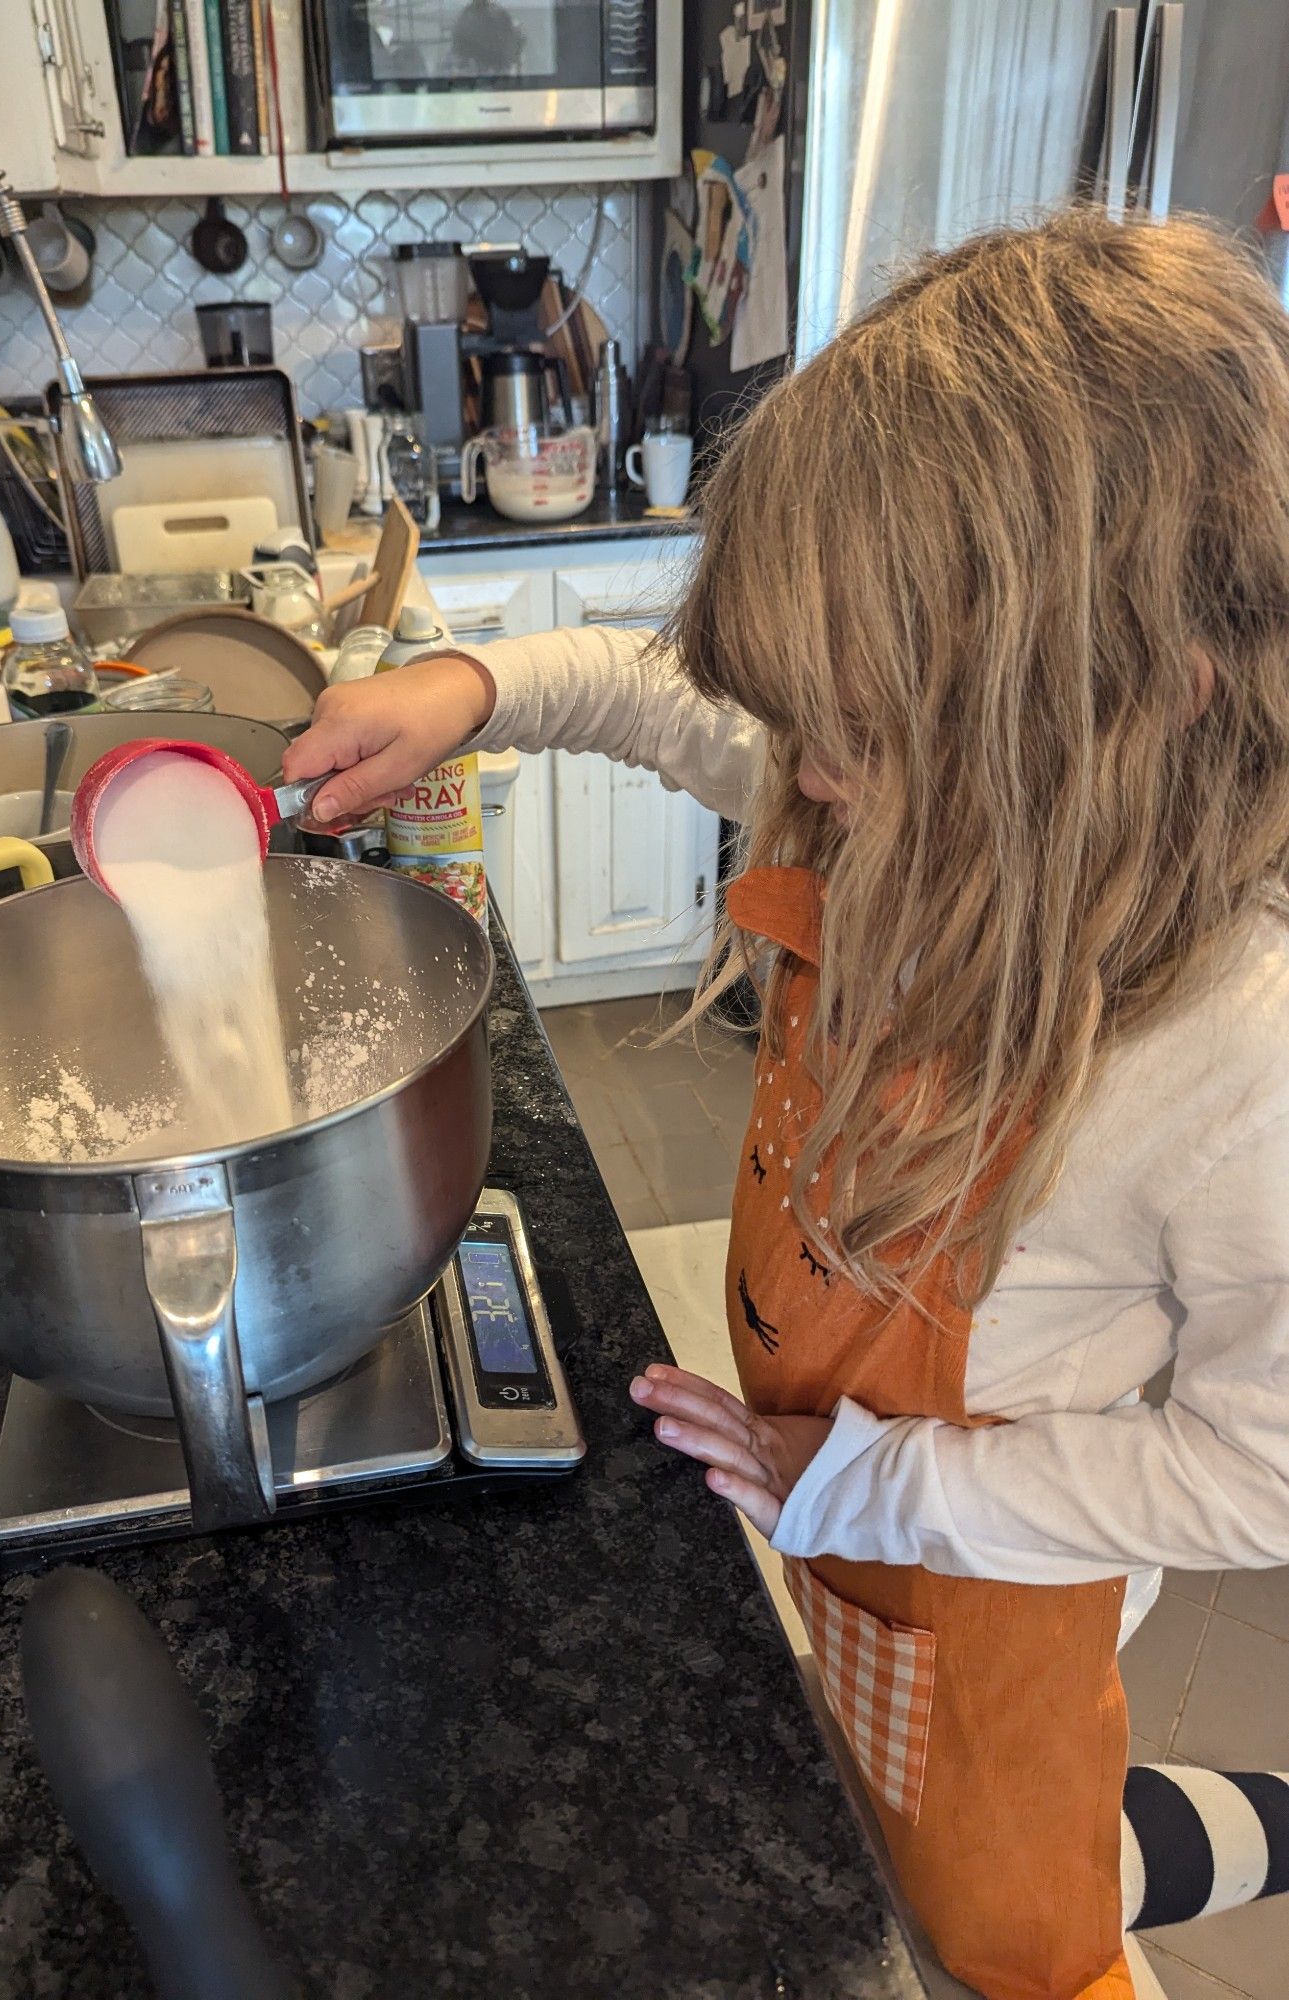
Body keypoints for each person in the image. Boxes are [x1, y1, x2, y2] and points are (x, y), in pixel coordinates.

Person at [284, 210, 1289, 1999]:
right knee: (903, 1808)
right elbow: (658, 697)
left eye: (850, 730)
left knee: (1003, 1926)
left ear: (1131, 714)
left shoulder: (1235, 1059)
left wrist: (881, 1486)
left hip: (993, 1586)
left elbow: (1258, 1467)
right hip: (839, 1509)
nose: (794, 775)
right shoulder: (906, 777)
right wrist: (470, 684)